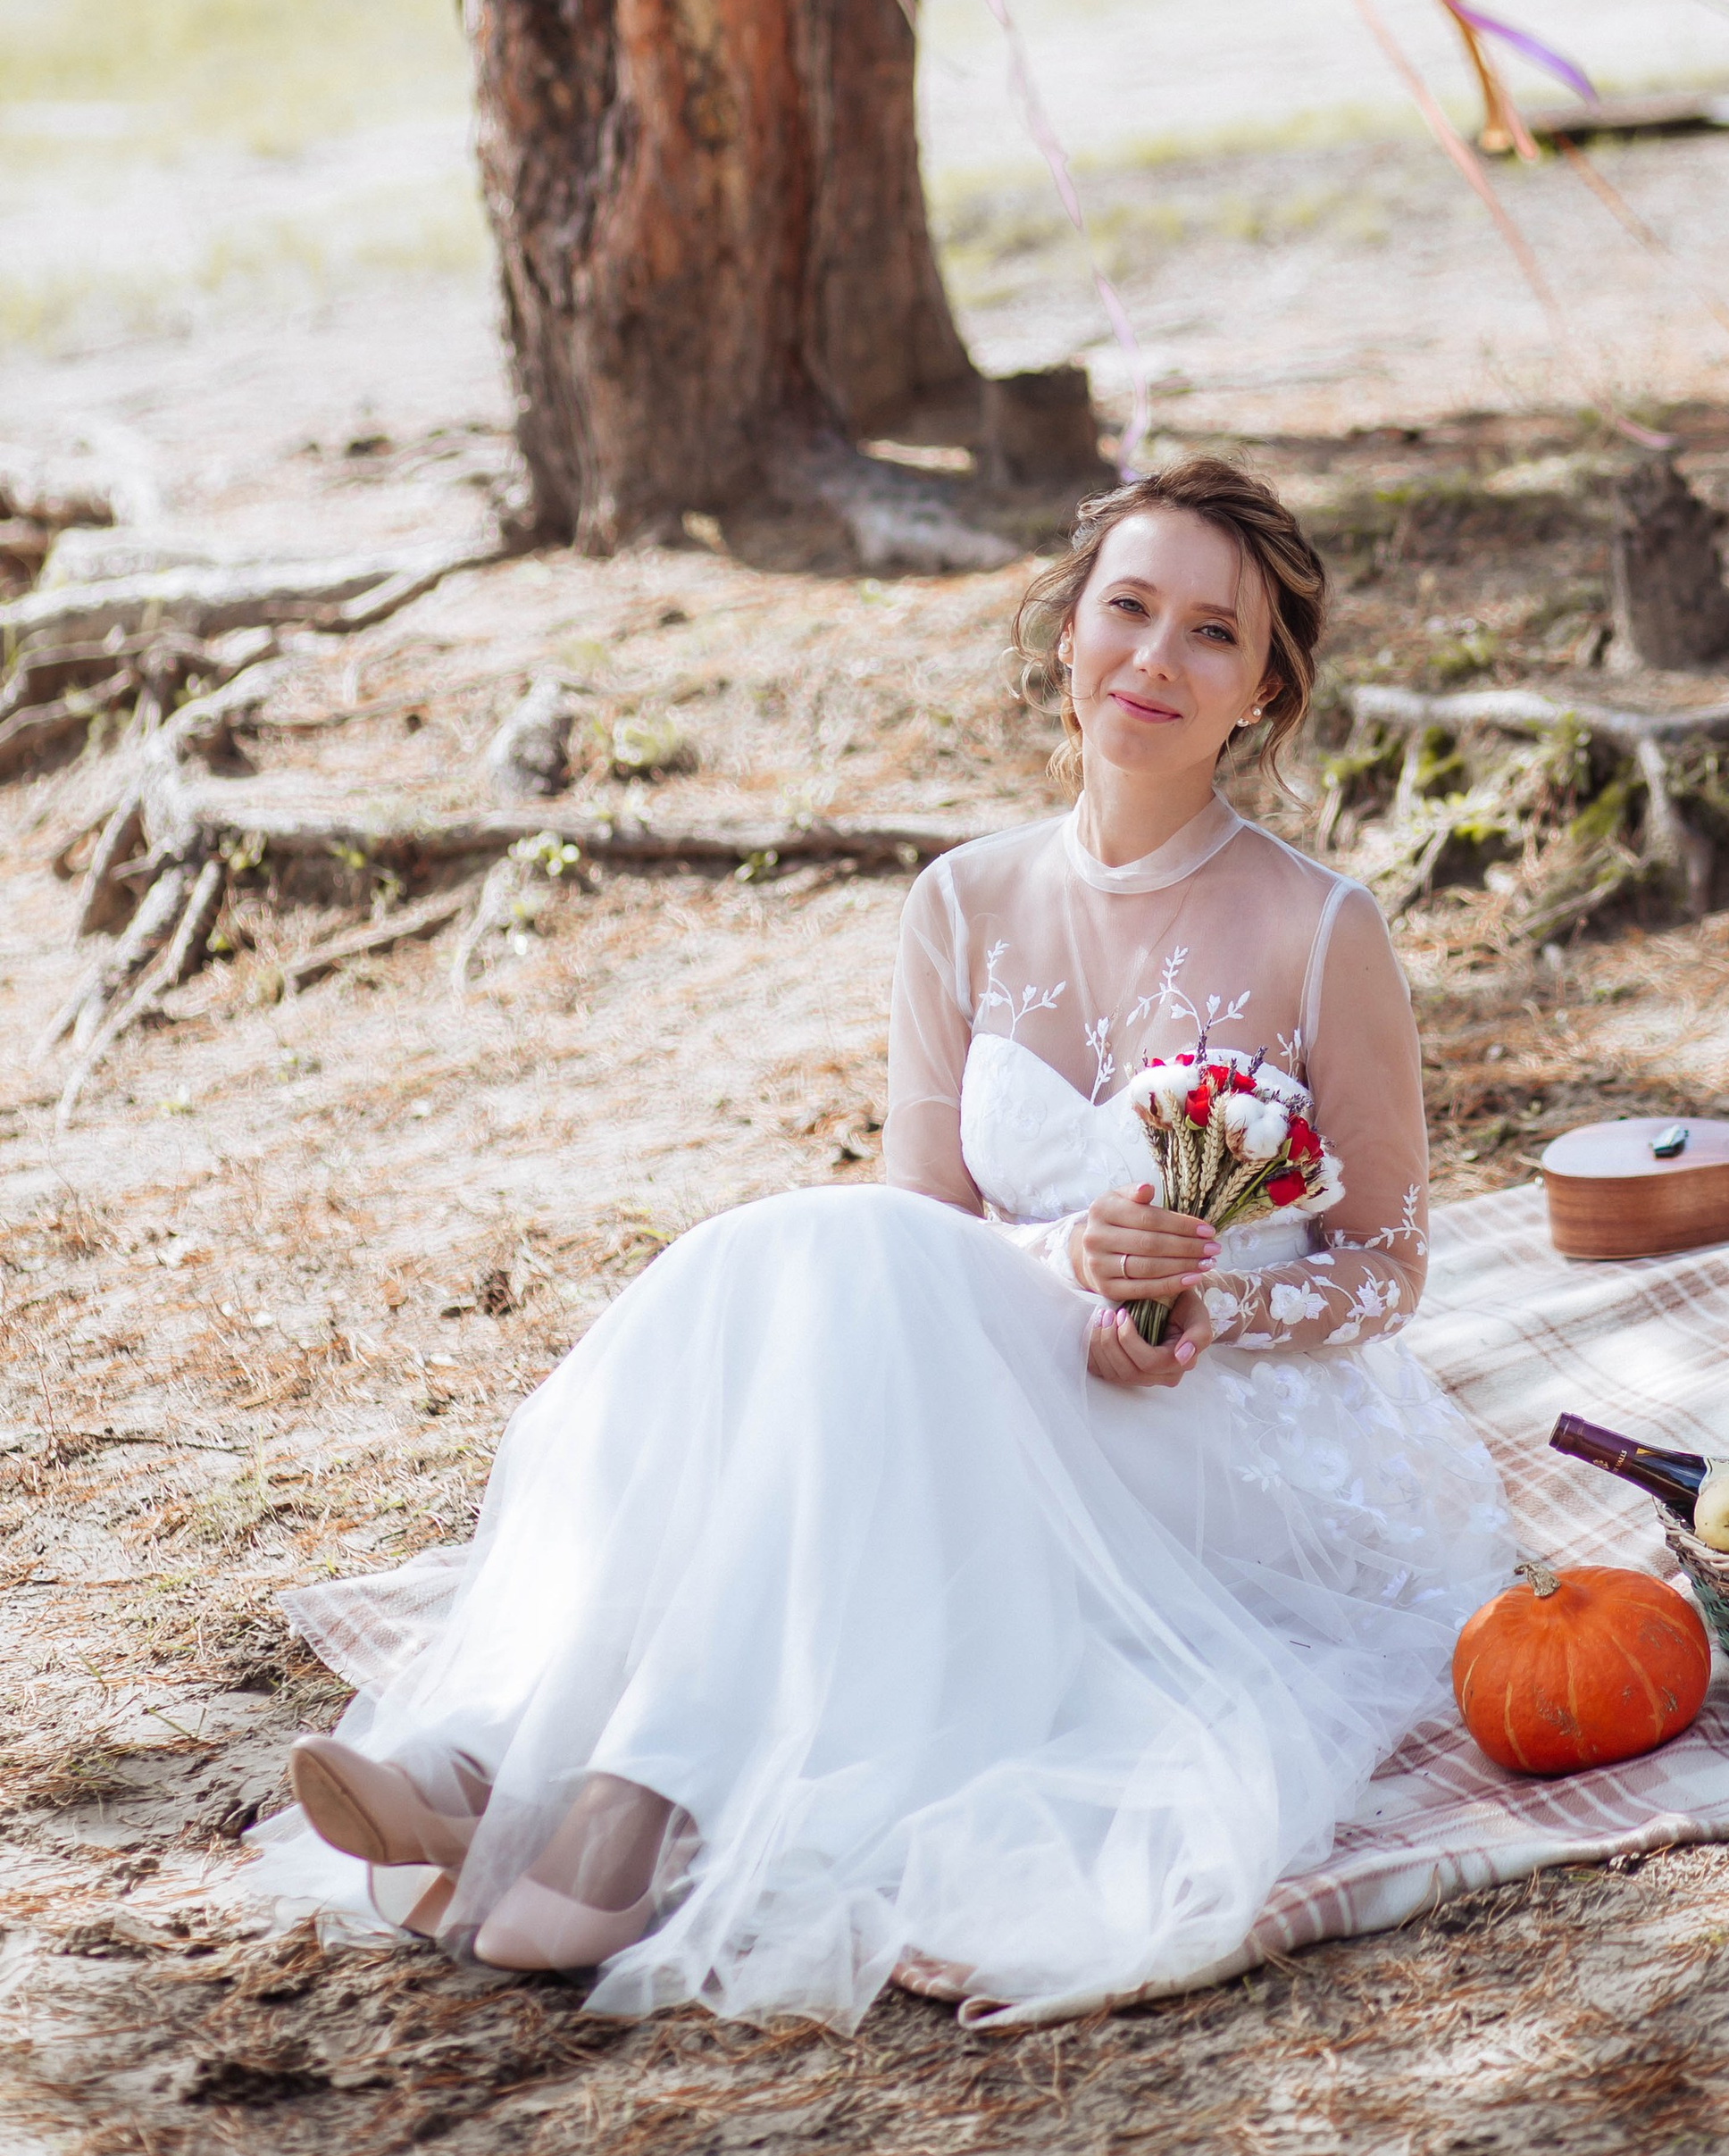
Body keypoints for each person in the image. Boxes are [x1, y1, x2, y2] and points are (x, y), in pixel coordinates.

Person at [255, 456, 1512, 2027]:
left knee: (813, 1281)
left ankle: (617, 1800)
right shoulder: (962, 904)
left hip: (1212, 1421)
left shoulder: (1320, 929)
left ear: (1264, 690)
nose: (1154, 660)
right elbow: (922, 1228)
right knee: (775, 1265)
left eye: (1211, 635)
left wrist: (1204, 1316)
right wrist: (1061, 1274)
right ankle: (506, 1755)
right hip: (1007, 1354)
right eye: (1128, 609)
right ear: (1066, 635)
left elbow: (1388, 1264)